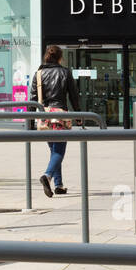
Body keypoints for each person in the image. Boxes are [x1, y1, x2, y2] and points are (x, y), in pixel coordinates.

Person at [33, 44, 80, 197]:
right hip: (61, 115)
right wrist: (79, 115)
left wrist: (29, 122)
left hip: (45, 116)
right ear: (60, 57)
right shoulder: (65, 72)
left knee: (54, 150)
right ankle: (47, 176)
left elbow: (33, 99)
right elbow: (73, 96)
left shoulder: (38, 74)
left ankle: (59, 185)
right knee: (59, 151)